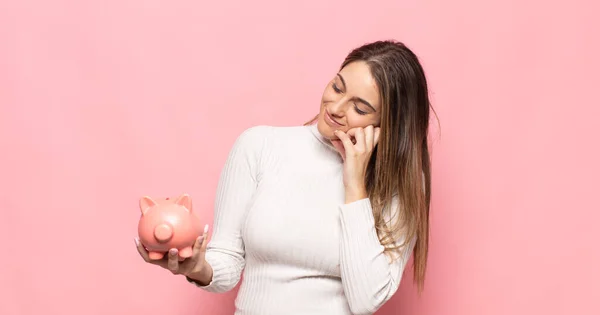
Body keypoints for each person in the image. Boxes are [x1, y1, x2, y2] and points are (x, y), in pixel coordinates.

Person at [135, 39, 433, 315]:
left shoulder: (399, 182)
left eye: (359, 107)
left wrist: (354, 183)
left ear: (388, 125)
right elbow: (226, 261)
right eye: (337, 87)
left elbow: (366, 299)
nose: (336, 108)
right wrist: (196, 267)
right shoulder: (260, 146)